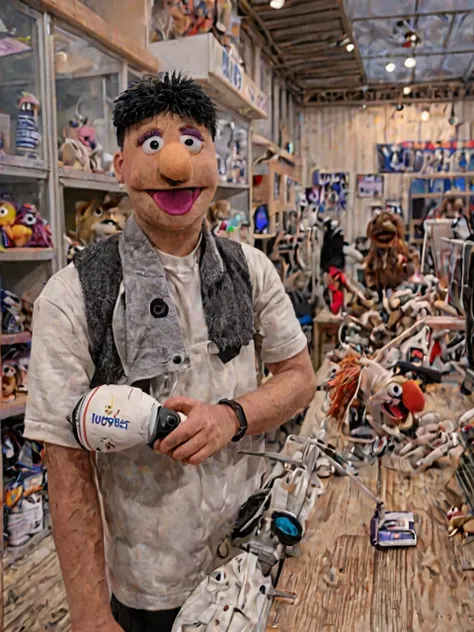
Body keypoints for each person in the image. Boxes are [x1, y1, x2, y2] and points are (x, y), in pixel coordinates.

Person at [24, 72, 316, 632]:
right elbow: (63, 459)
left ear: (215, 161)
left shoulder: (250, 270)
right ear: (120, 167)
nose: (176, 164)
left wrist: (233, 417)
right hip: (147, 581)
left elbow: (299, 376)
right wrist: (88, 612)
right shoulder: (74, 293)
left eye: (192, 140)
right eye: (151, 144)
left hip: (252, 551)